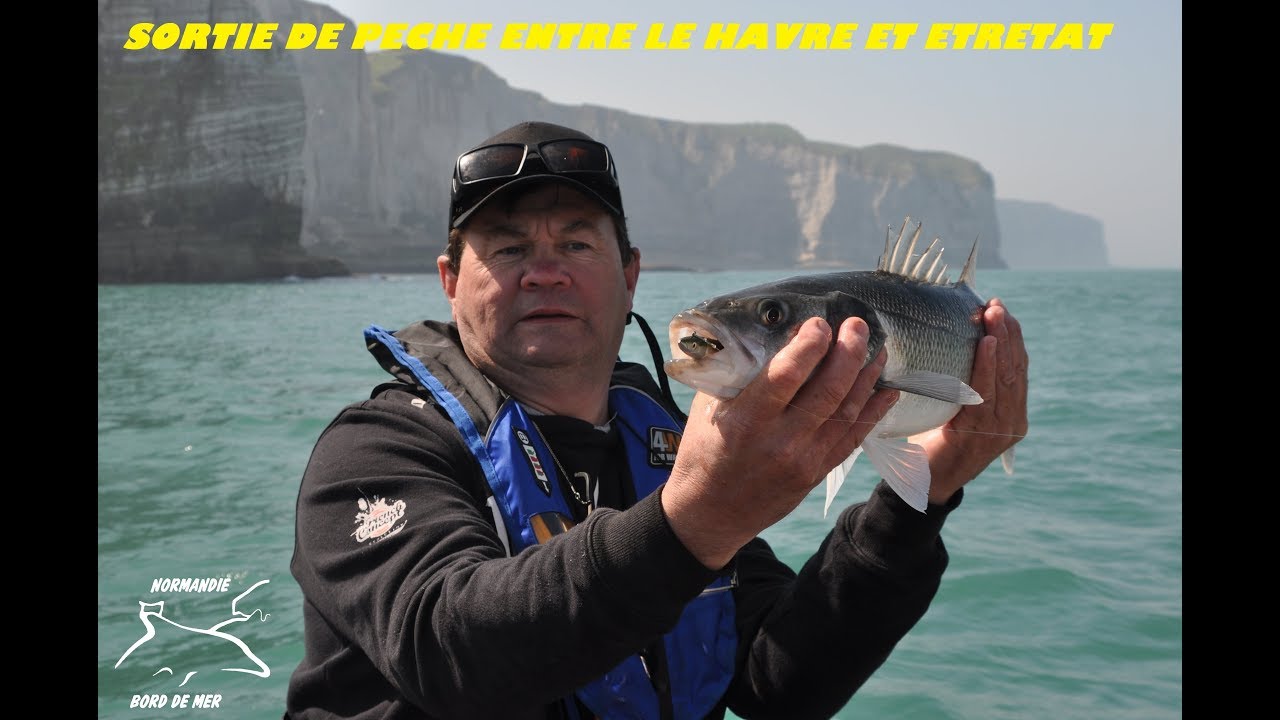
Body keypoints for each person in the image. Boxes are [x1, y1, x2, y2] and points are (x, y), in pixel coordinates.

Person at [285, 121, 1029, 720]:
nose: (545, 270)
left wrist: (915, 500)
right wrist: (695, 521)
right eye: (509, 248)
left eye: (576, 242)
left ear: (631, 273)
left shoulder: (664, 447)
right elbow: (447, 651)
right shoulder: (374, 454)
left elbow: (780, 682)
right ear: (451, 282)